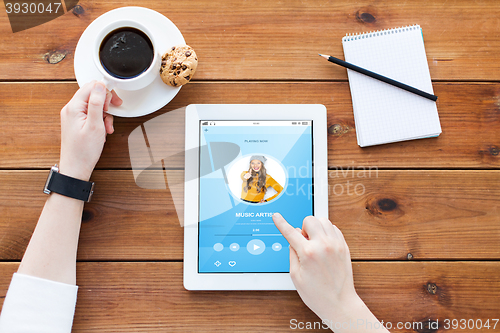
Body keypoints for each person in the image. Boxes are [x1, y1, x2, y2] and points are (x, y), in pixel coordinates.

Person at [0, 81, 388, 333]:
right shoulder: (245, 179)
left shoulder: (265, 178)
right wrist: (341, 304)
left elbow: (34, 315)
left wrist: (74, 168)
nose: (254, 165)